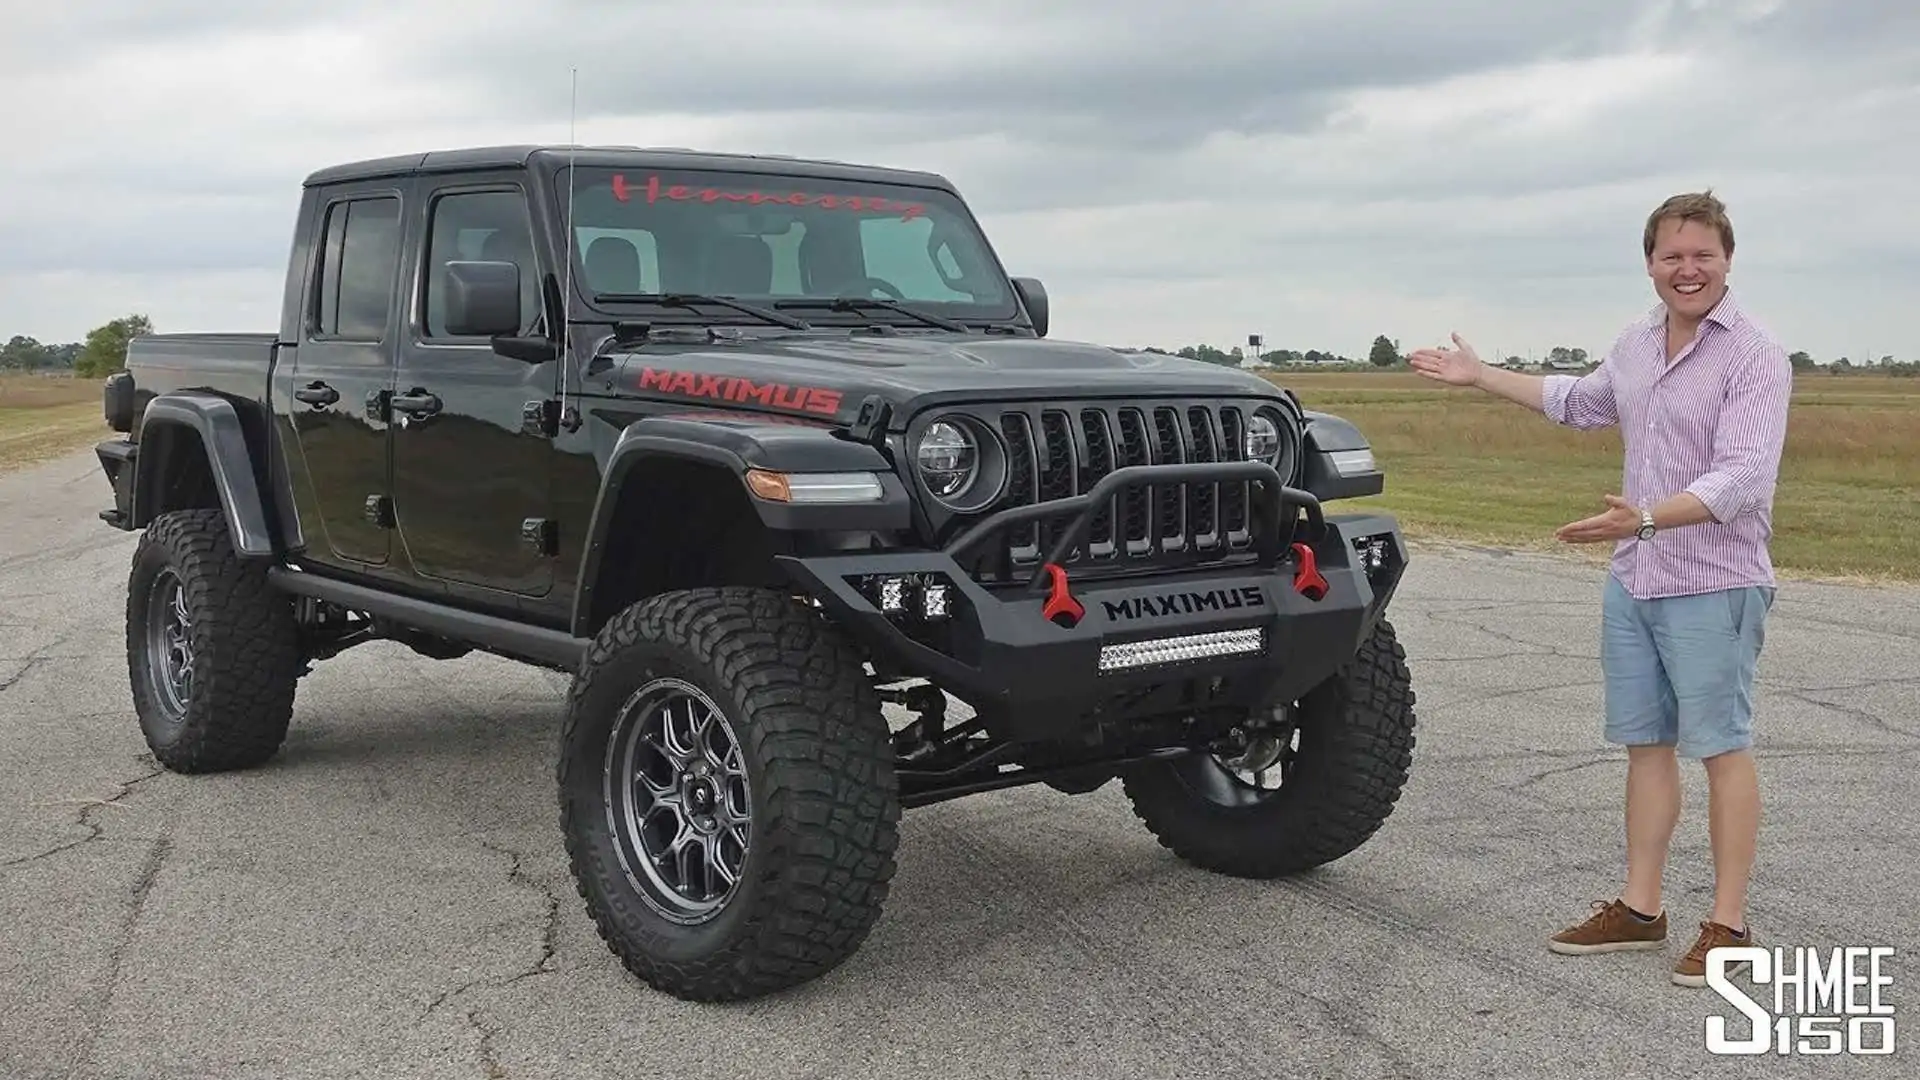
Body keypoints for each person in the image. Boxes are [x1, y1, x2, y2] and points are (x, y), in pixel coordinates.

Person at [1406, 190, 1794, 988]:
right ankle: (1640, 909)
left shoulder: (1755, 354)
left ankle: (1728, 923)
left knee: (1721, 746)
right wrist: (1481, 376)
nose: (1687, 270)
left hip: (1713, 581)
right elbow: (1579, 403)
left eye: (1702, 255)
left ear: (1728, 258)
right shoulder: (1638, 342)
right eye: (1671, 256)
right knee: (1645, 745)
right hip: (1637, 579)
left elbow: (1744, 479)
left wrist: (1647, 518)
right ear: (1650, 263)